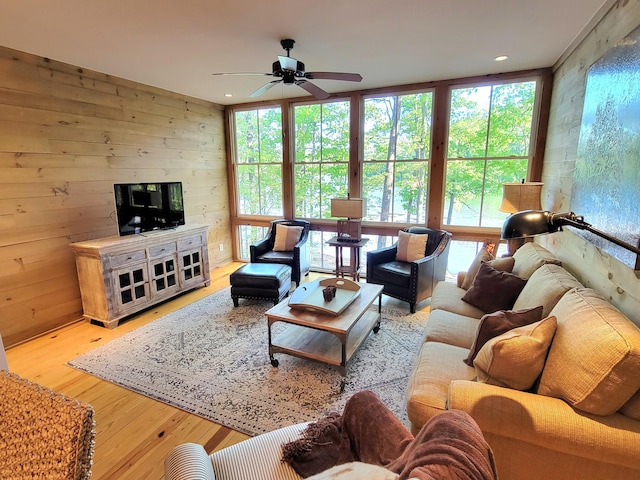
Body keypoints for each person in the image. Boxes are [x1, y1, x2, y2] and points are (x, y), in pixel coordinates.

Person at [282, 390, 498, 480]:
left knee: (361, 401)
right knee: (361, 401)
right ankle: (414, 468)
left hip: (414, 466)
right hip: (417, 465)